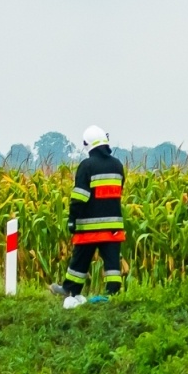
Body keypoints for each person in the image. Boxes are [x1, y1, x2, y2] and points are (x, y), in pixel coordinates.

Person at [51, 126, 126, 309]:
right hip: (113, 226)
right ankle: (113, 294)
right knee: (112, 263)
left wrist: (72, 219)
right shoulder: (117, 165)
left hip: (90, 227)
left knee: (80, 260)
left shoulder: (87, 166)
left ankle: (70, 289)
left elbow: (80, 197)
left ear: (87, 144)